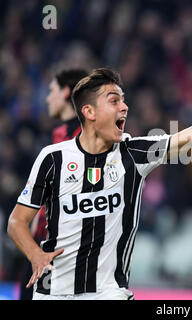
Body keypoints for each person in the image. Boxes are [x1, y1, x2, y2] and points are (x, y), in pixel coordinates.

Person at [8, 68, 192, 300]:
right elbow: (16, 221)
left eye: (123, 100)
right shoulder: (53, 158)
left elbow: (191, 135)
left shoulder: (134, 154)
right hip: (52, 293)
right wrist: (35, 254)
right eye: (114, 101)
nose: (124, 107)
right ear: (89, 111)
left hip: (108, 292)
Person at [19, 68, 89, 300]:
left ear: (66, 91)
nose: (48, 98)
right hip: (42, 240)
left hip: (65, 245)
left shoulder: (88, 137)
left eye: (52, 91)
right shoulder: (58, 134)